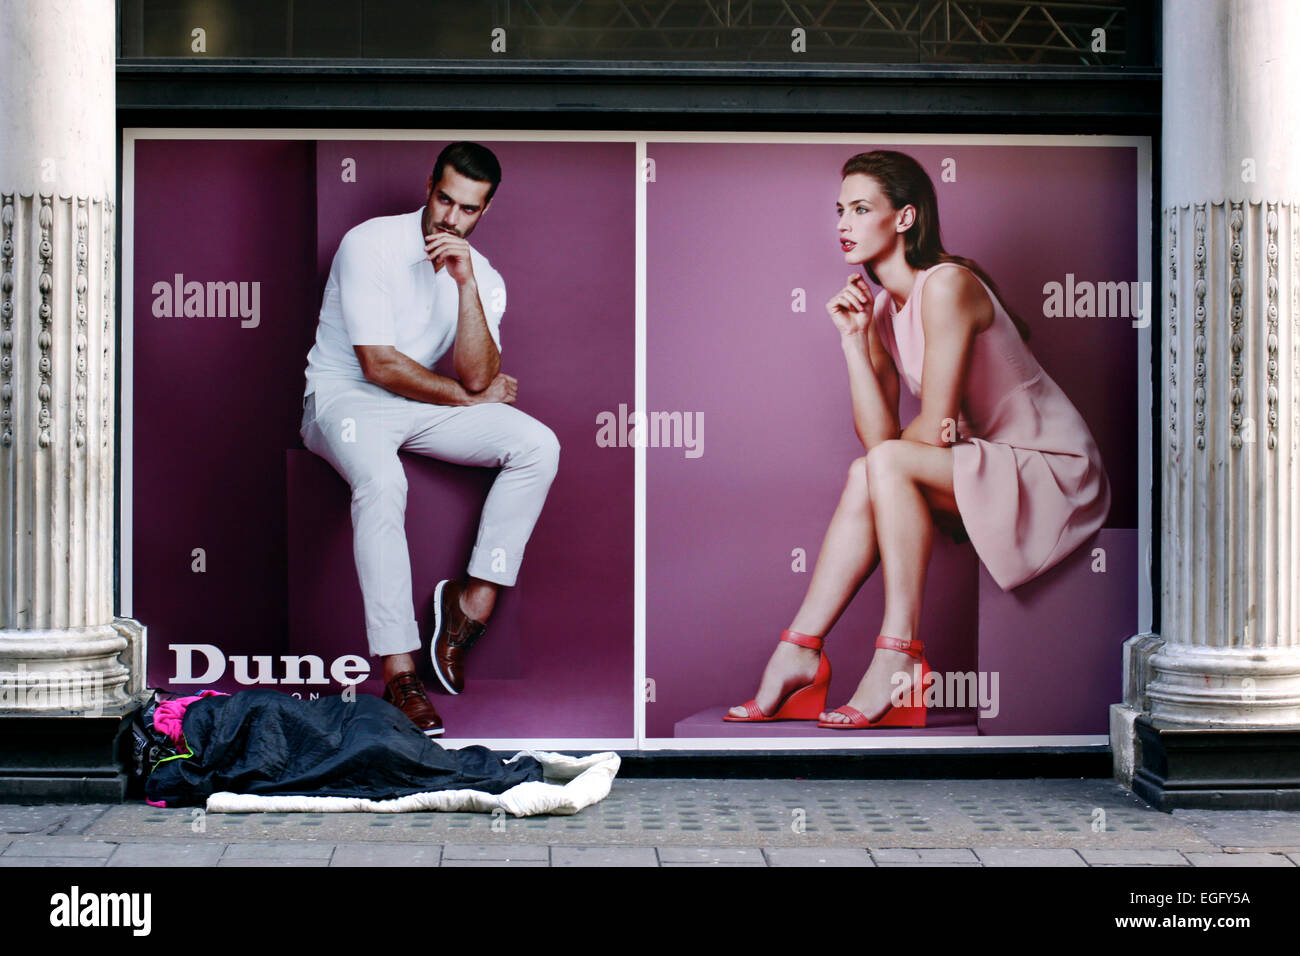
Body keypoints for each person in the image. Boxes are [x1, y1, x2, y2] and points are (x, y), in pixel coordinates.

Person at [725, 149, 1110, 729]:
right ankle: (801, 646)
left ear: (904, 218)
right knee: (871, 469)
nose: (843, 224)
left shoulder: (948, 285)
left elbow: (930, 425)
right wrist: (854, 342)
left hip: (1050, 470)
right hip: (983, 466)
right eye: (840, 211)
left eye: (861, 209)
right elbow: (880, 440)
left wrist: (928, 435)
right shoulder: (882, 308)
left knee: (882, 466)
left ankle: (894, 653)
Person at [300, 141, 560, 737]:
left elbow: (476, 372)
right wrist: (471, 397)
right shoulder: (369, 244)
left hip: (418, 404)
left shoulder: (484, 276)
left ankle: (470, 607)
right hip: (342, 400)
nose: (450, 218)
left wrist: (466, 285)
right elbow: (379, 366)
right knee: (382, 479)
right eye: (445, 200)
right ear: (428, 187)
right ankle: (400, 671)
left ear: (483, 212)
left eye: (467, 209)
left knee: (537, 445)